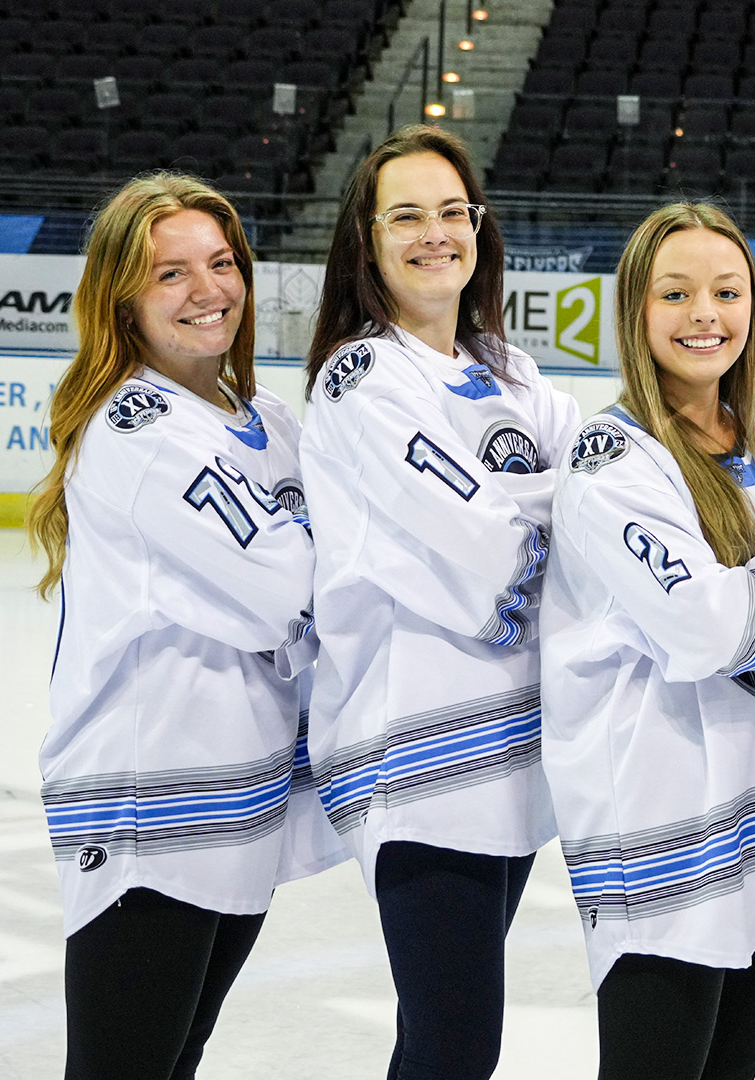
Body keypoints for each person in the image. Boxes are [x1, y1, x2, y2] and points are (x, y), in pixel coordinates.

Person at [26, 173, 342, 1080]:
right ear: (121, 300)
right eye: (171, 275)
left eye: (222, 263)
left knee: (173, 1059)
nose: (210, 291)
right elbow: (293, 588)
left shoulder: (264, 419)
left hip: (238, 801)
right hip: (148, 804)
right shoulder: (137, 428)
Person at [541, 202, 755, 1080]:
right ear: (635, 310)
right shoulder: (613, 458)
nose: (704, 315)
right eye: (675, 294)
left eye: (726, 291)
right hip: (663, 822)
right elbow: (706, 626)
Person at [298, 125, 581, 1080]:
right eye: (406, 216)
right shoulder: (362, 377)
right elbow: (488, 547)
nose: (435, 234)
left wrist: (540, 509)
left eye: (452, 212)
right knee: (459, 1044)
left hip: (511, 751)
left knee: (440, 1043)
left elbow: (594, 505)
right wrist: (540, 508)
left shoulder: (511, 370)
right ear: (367, 241)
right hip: (416, 753)